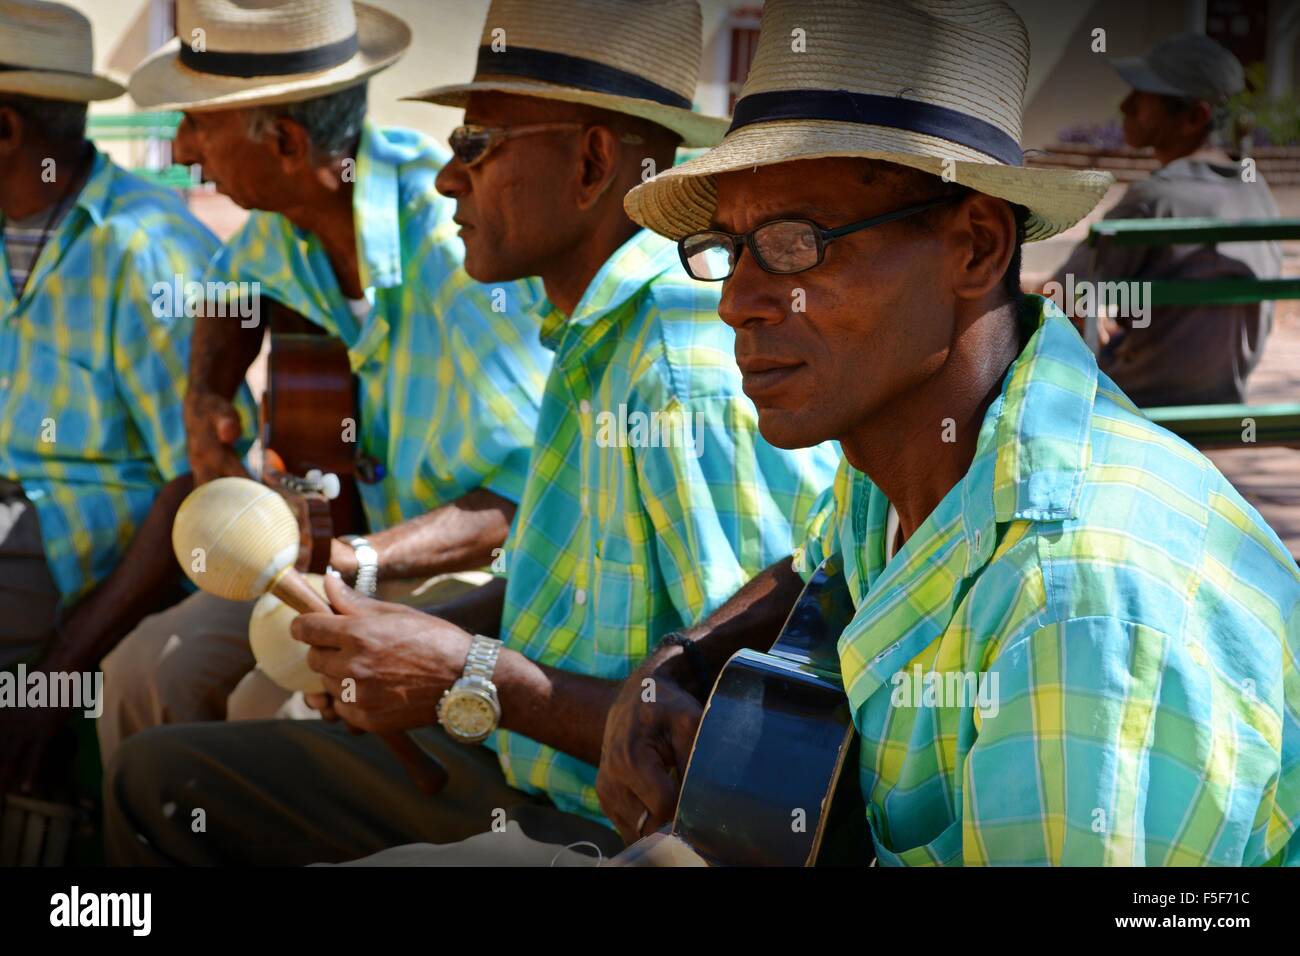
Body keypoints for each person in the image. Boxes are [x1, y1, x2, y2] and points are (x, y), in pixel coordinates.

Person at [103, 0, 839, 867]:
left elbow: (734, 733)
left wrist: (464, 671)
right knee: (160, 777)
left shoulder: (679, 364)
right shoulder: (587, 334)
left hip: (602, 824)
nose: (452, 178)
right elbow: (554, 594)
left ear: (593, 161)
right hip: (517, 764)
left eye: (476, 144)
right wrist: (400, 636)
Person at [599, 0, 1300, 866]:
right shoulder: (911, 453)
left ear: (974, 248)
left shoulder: (1079, 604)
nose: (736, 299)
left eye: (795, 243)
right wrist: (682, 656)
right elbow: (824, 567)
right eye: (730, 246)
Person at [98, 0, 554, 762]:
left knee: (264, 725)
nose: (181, 150)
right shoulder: (287, 213)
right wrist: (207, 386)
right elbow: (230, 287)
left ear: (284, 142)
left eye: (197, 124)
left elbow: (524, 500)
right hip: (342, 553)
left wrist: (364, 559)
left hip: (466, 579)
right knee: (141, 677)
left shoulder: (456, 248)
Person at [0, 0, 226, 793]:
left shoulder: (151, 251)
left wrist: (63, 672)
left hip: (81, 544)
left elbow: (197, 485)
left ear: (6, 128)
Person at [1047, 32, 1282, 407]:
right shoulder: (1259, 191)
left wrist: (1090, 309)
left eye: (1142, 97)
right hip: (1223, 396)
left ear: (1193, 117)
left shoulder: (1155, 197)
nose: (1125, 106)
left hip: (1138, 400)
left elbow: (1057, 295)